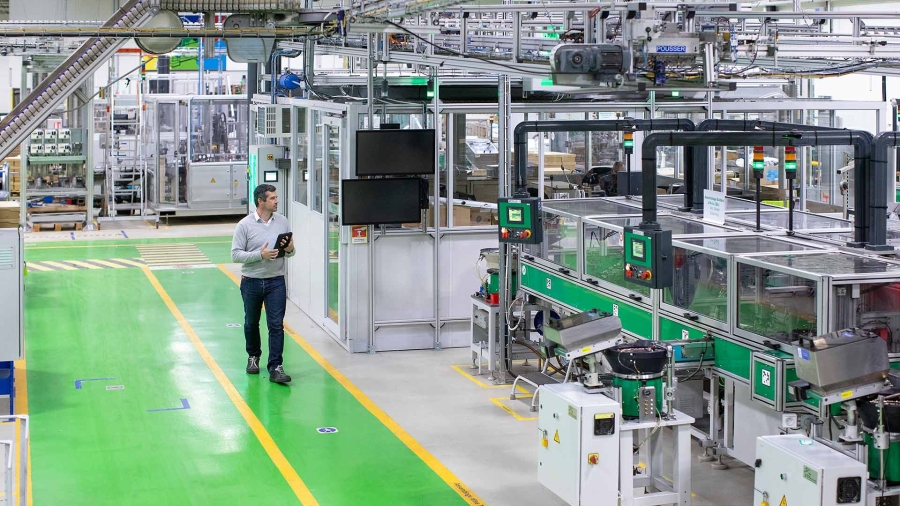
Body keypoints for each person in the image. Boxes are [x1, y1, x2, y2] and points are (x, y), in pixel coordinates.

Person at [231, 184, 295, 384]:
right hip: (251, 282)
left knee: (276, 325)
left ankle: (276, 366)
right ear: (261, 201)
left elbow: (290, 252)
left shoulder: (283, 222)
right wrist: (260, 255)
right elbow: (235, 255)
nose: (276, 201)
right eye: (273, 198)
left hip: (276, 281)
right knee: (251, 323)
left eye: (276, 197)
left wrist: (291, 248)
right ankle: (253, 356)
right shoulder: (244, 225)